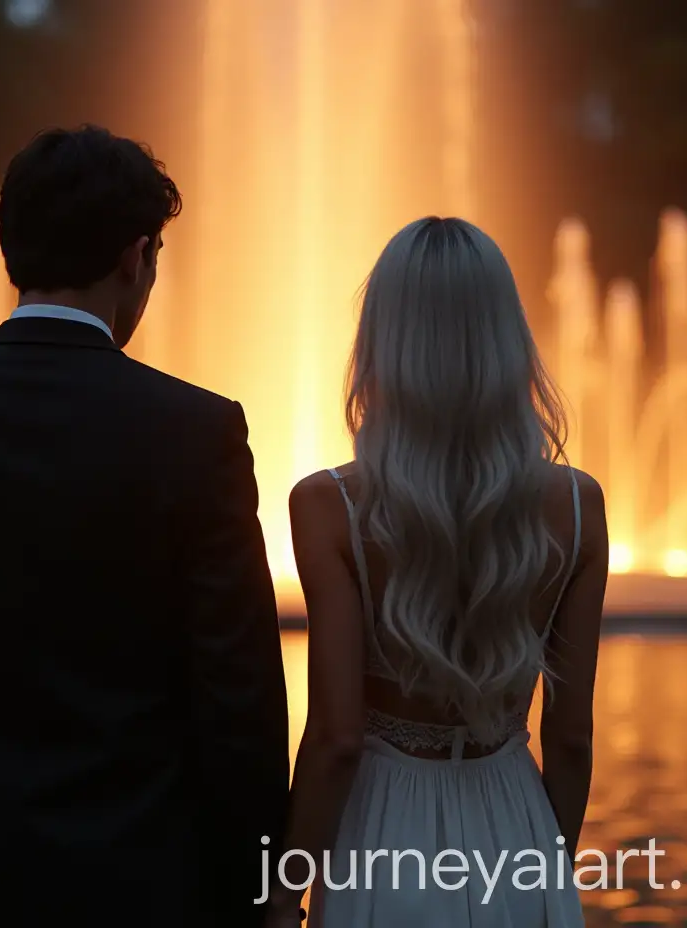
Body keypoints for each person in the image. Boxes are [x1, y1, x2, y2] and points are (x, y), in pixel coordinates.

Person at [0, 126, 290, 927]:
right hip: (145, 879)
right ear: (136, 257)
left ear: (11, 249)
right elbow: (238, 695)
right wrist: (256, 885)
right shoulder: (197, 430)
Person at [267, 217, 608, 926]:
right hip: (516, 829)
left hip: (379, 833)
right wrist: (547, 867)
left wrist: (281, 897)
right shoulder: (577, 508)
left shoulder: (328, 507)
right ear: (506, 339)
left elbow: (334, 738)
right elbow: (570, 740)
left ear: (384, 341)